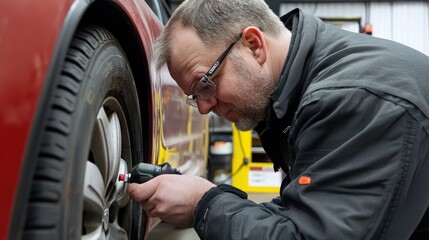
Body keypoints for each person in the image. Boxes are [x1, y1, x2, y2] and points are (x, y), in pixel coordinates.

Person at [128, 0, 429, 239]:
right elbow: (302, 216)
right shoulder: (306, 86)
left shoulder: (352, 100)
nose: (204, 109)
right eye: (195, 98)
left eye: (204, 84)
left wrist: (203, 203)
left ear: (254, 45)